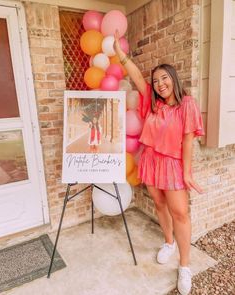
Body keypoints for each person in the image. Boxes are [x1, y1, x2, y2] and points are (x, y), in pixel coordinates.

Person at [114, 31, 205, 295]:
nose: (159, 83)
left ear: (173, 79)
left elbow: (187, 141)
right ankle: (168, 242)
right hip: (151, 161)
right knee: (159, 204)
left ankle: (185, 266)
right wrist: (120, 54)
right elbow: (133, 74)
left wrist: (186, 172)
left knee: (181, 213)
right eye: (155, 81)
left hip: (173, 164)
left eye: (164, 78)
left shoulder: (186, 104)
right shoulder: (152, 105)